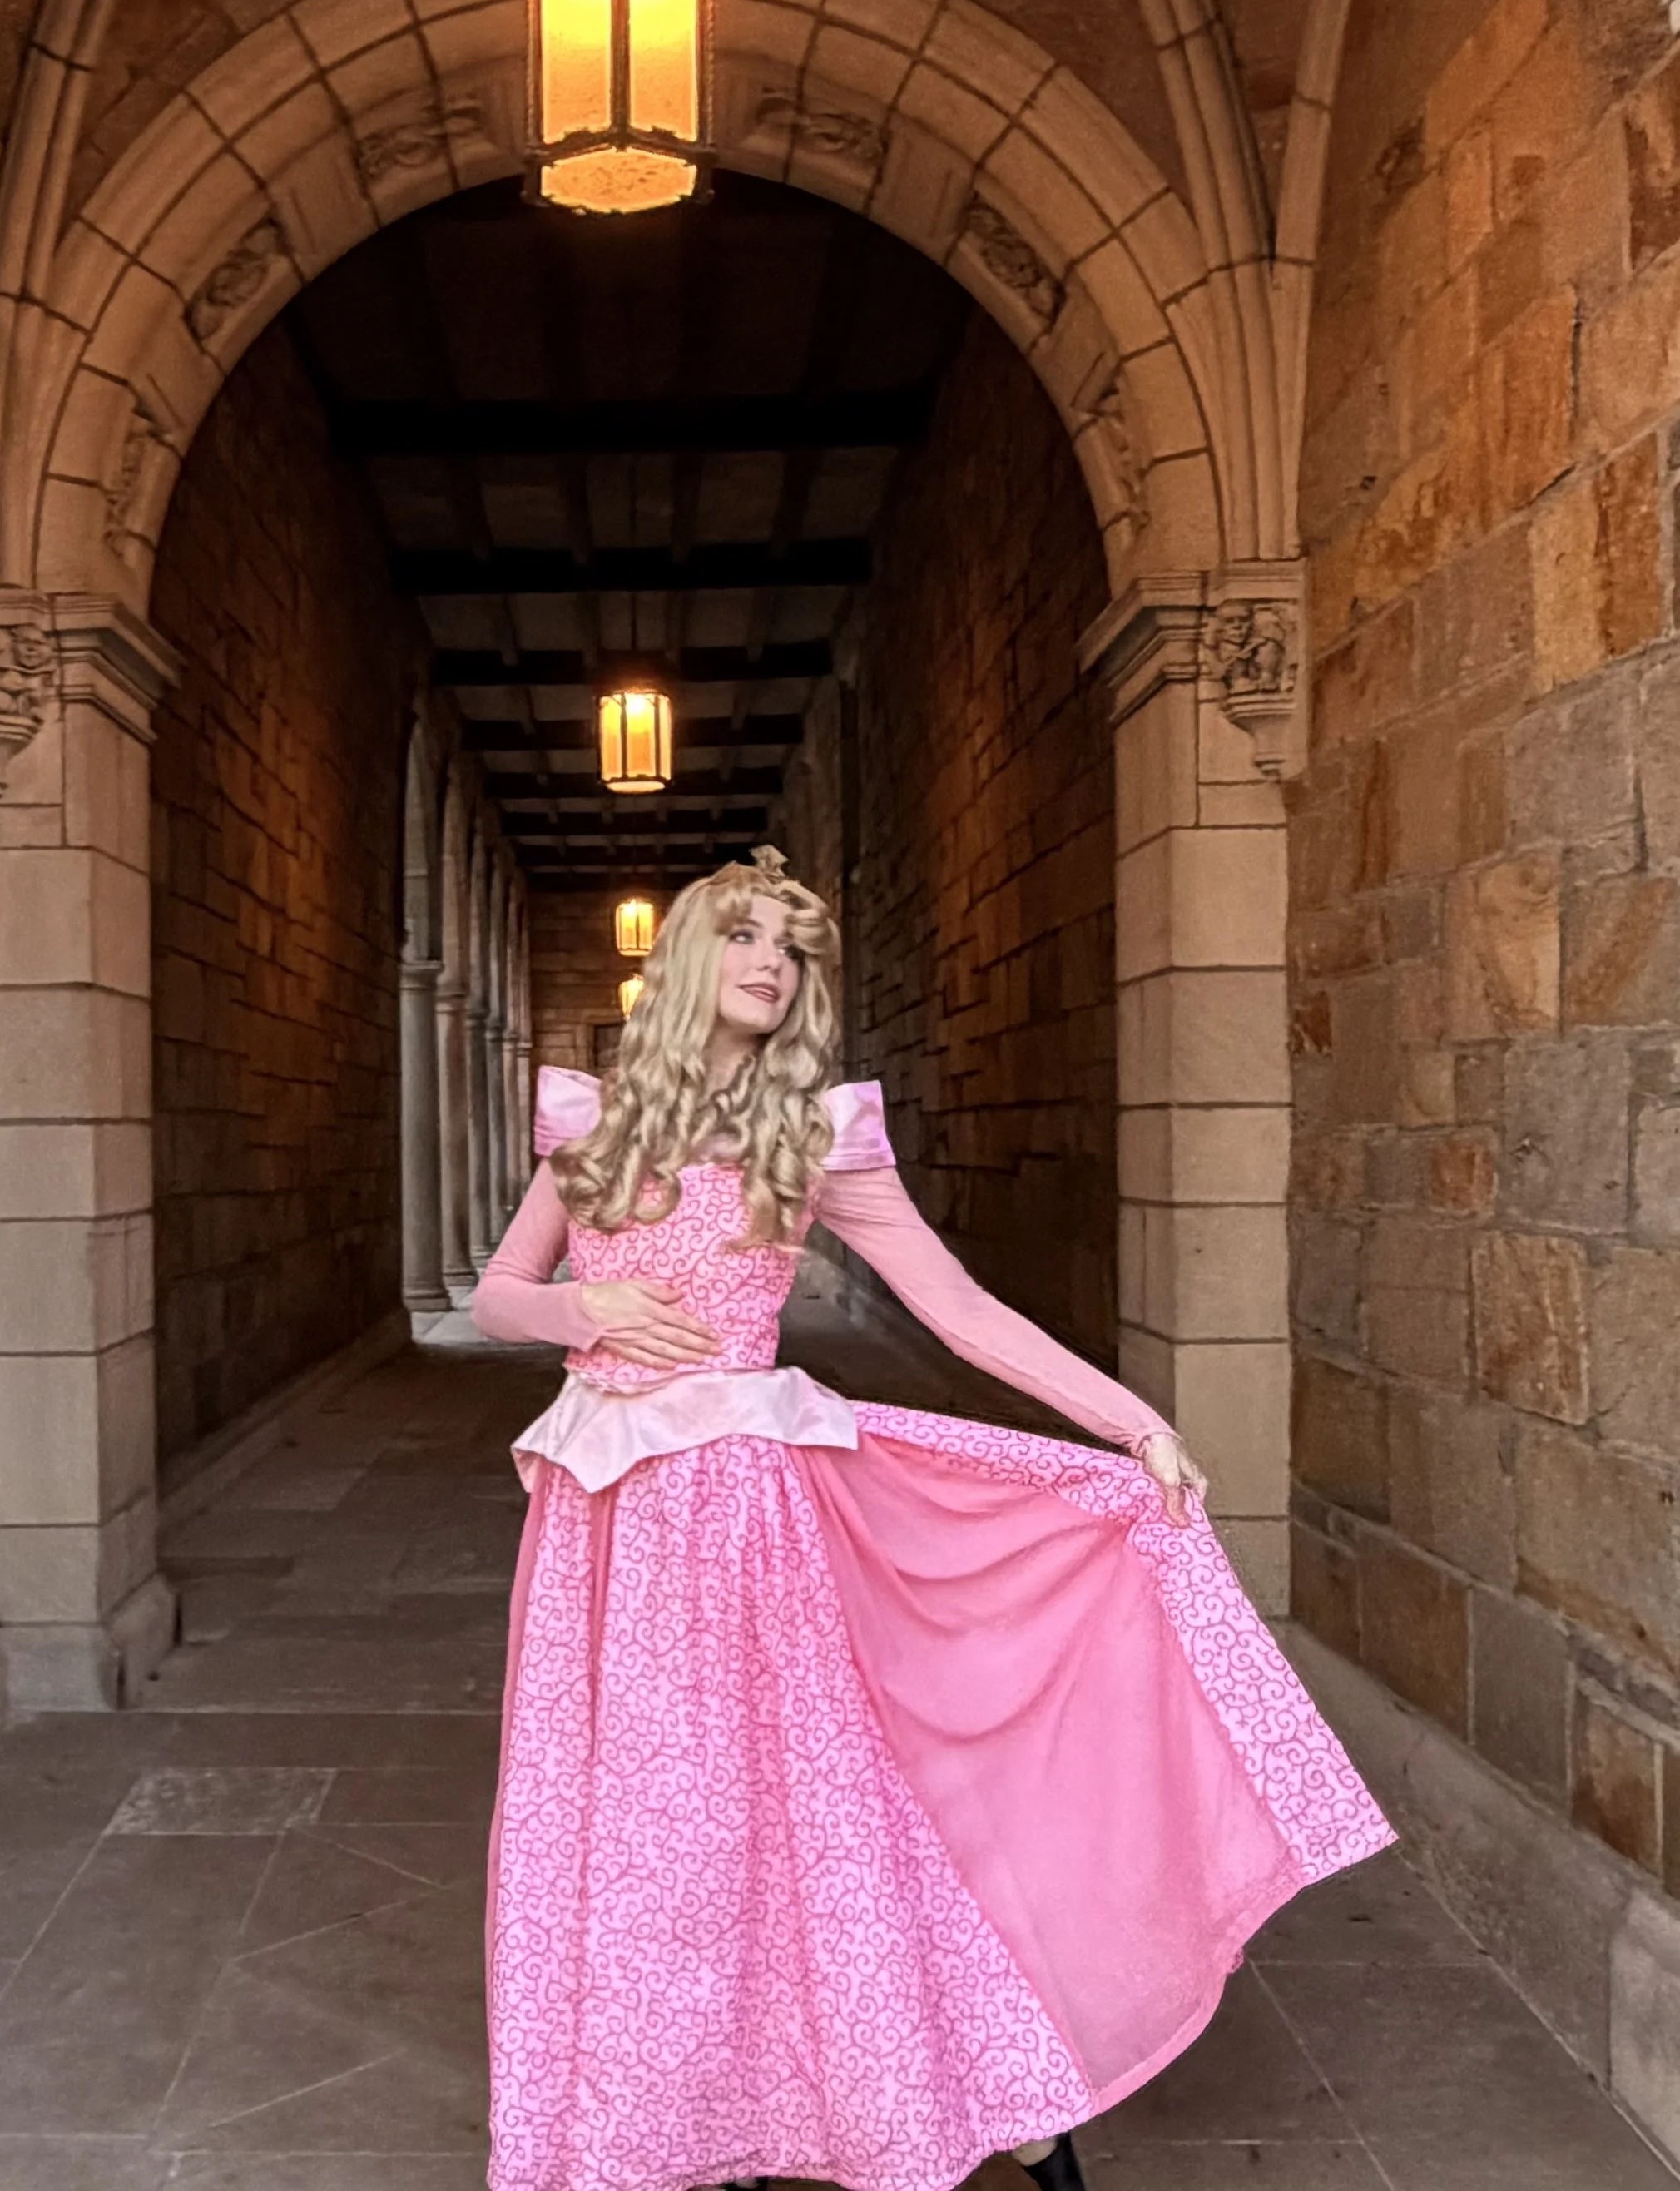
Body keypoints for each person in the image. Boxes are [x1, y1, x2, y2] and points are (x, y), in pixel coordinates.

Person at [471, 847, 1391, 2191]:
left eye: (792, 946)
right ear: (683, 960)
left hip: (744, 1518)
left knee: (802, 1818)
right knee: (640, 1836)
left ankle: (941, 2086)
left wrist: (1128, 1418)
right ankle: (667, 2118)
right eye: (744, 936)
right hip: (604, 1532)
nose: (772, 964)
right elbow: (499, 1289)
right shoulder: (593, 1126)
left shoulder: (814, 1137)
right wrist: (580, 1310)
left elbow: (959, 1309)